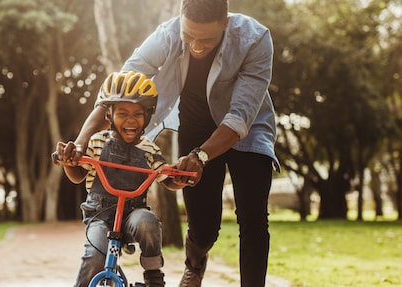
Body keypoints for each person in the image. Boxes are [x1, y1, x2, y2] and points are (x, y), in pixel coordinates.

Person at [61, 0, 279, 286]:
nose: (196, 47)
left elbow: (239, 117)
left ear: (226, 23)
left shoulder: (256, 39)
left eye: (207, 40)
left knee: (252, 217)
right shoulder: (168, 34)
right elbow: (120, 90)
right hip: (196, 126)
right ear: (180, 21)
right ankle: (195, 264)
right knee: (203, 225)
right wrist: (81, 141)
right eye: (189, 37)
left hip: (247, 129)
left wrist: (201, 157)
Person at [54, 71, 191, 287]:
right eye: (123, 113)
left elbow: (166, 177)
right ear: (109, 115)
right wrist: (69, 163)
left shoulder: (149, 149)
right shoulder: (97, 142)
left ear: (148, 115)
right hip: (100, 215)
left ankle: (154, 276)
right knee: (96, 254)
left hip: (132, 215)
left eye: (138, 114)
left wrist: (179, 178)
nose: (130, 120)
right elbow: (78, 176)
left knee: (147, 222)